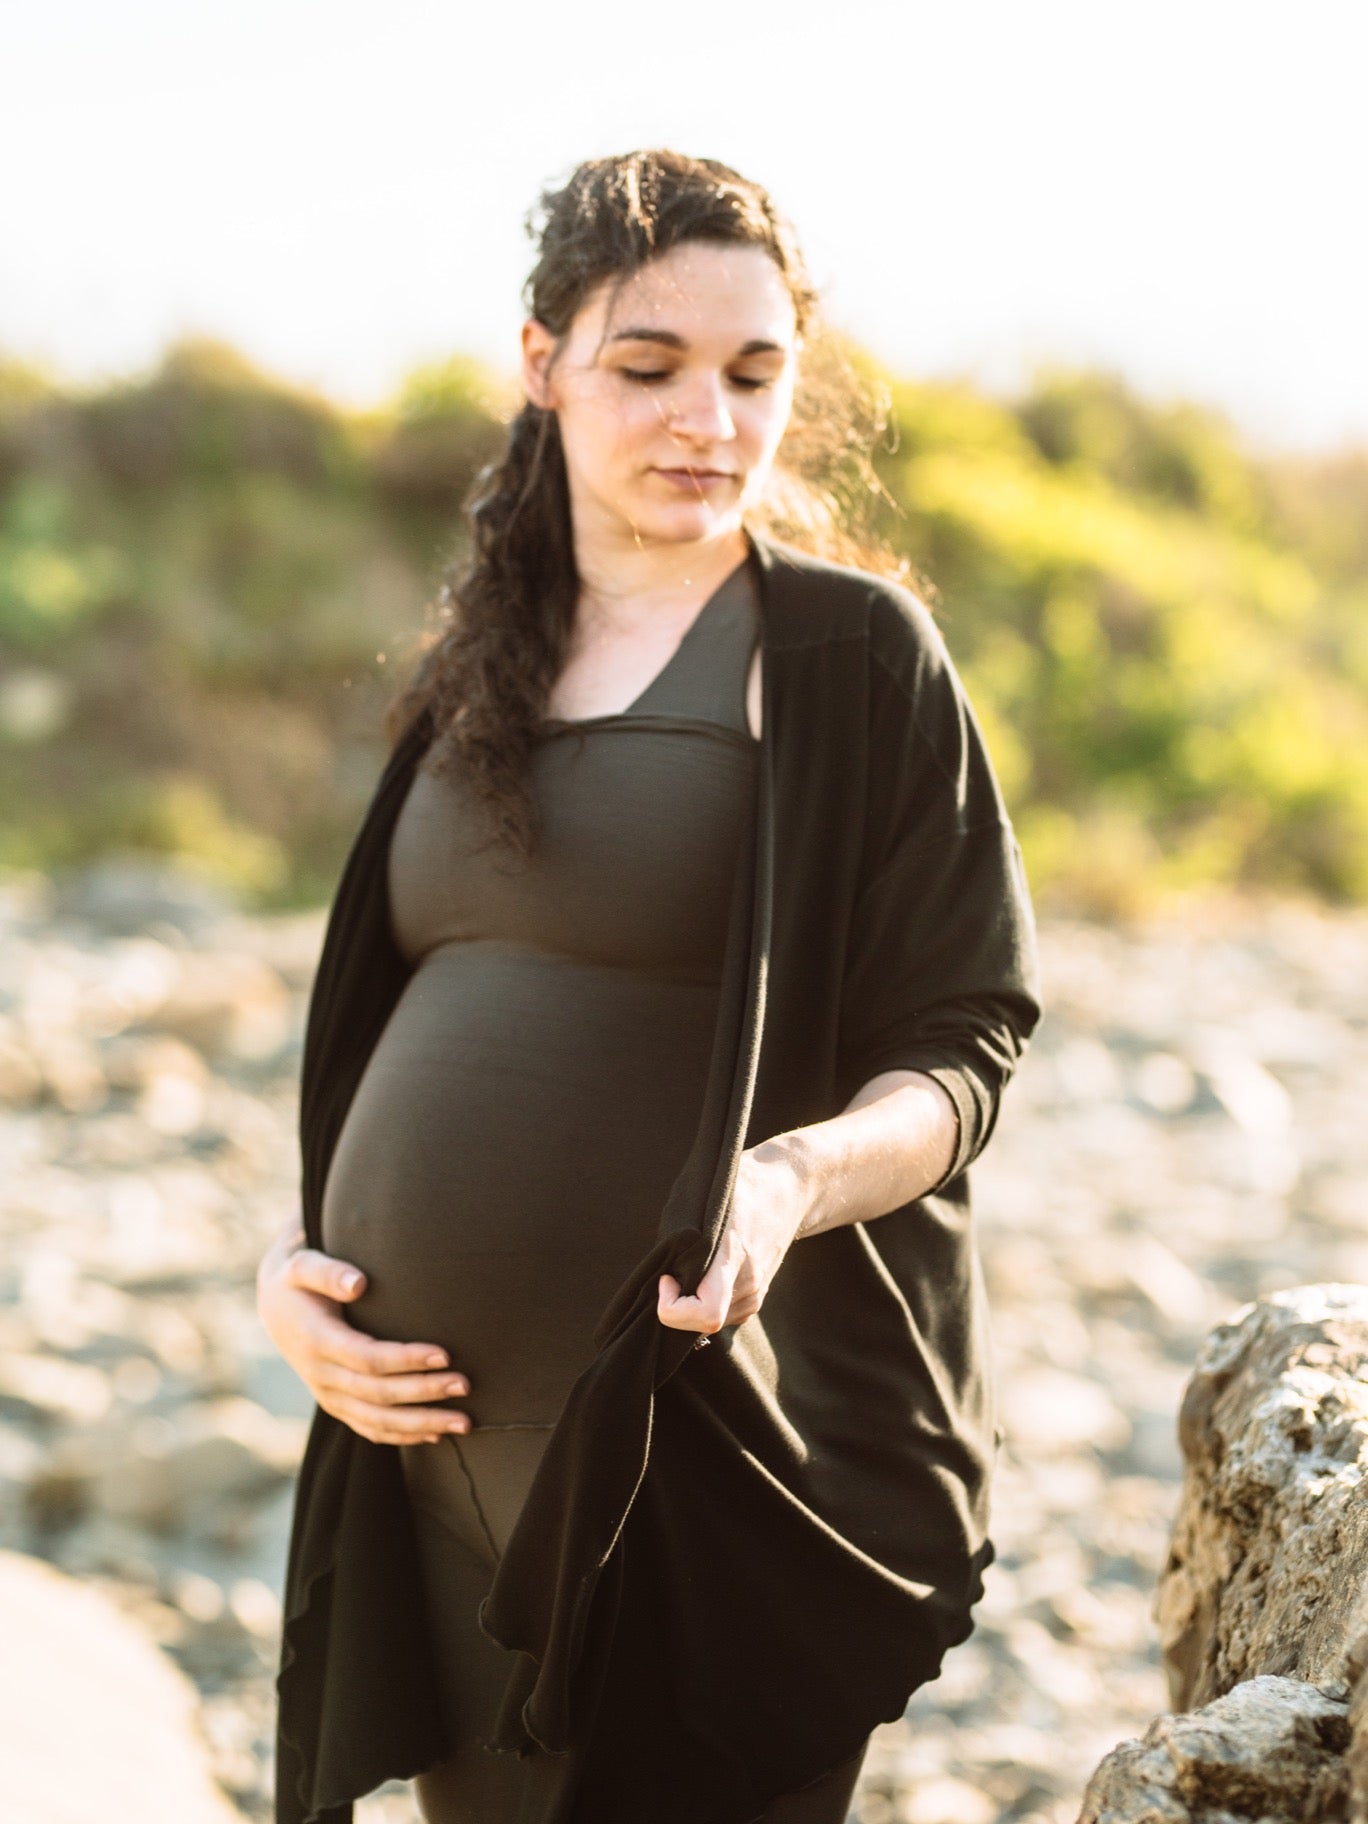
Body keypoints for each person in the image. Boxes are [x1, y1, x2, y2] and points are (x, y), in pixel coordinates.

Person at [258, 149, 1042, 1824]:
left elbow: (964, 1043)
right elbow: (379, 1028)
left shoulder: (846, 659)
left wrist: (786, 1182)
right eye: (649, 366)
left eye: (755, 374)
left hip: (691, 1472)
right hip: (428, 1465)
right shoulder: (476, 667)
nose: (710, 418)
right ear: (540, 363)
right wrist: (294, 1278)